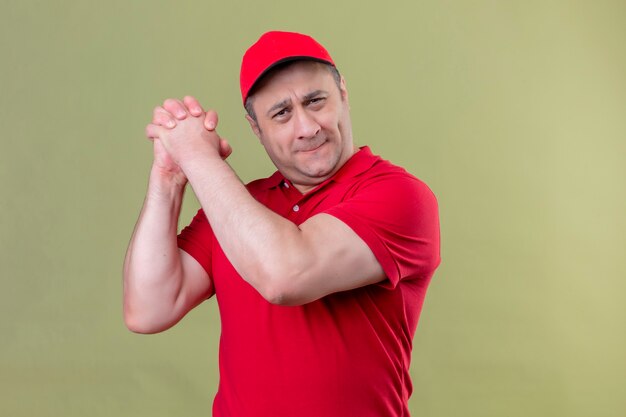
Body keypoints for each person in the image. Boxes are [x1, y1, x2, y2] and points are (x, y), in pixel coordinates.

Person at [123, 31, 440, 417]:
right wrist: (169, 180)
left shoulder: (399, 196)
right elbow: (148, 309)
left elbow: (286, 275)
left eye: (315, 101)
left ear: (343, 94)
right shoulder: (237, 209)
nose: (306, 127)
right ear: (257, 129)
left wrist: (199, 158)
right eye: (281, 113)